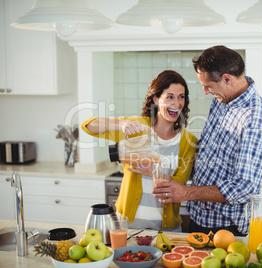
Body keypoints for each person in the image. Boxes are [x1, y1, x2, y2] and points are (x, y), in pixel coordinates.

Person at [152, 46, 262, 236]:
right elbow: (206, 150)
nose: (205, 92)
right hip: (198, 218)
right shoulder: (222, 101)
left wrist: (187, 193)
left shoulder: (255, 117)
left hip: (225, 228)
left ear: (227, 78)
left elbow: (245, 187)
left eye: (208, 86)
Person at [81, 70, 197, 232]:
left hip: (168, 230)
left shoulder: (188, 141)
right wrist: (120, 125)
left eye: (181, 97)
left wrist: (154, 171)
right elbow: (88, 126)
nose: (177, 103)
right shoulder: (136, 127)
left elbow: (180, 184)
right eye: (170, 96)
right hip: (128, 227)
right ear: (156, 99)